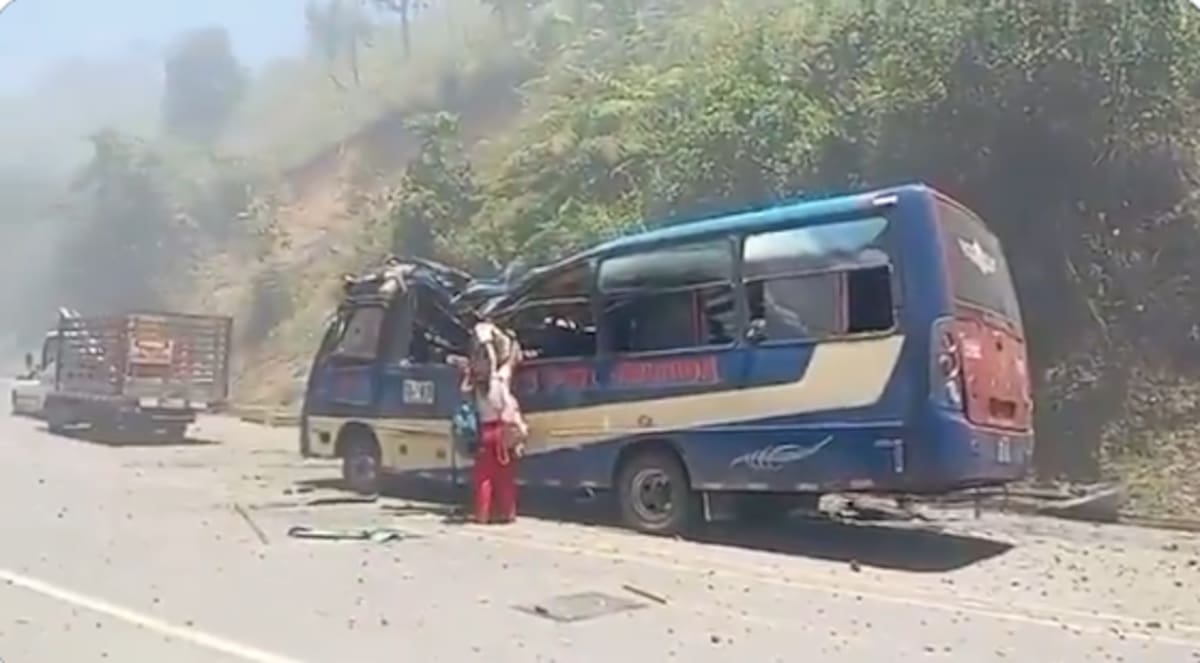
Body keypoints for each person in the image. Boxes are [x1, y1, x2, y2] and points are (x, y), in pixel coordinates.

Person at [463, 318, 527, 524]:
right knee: (505, 477)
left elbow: (464, 387)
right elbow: (511, 362)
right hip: (503, 433)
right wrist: (513, 344)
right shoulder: (499, 379)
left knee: (484, 477)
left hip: (485, 432)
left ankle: (482, 515)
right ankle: (508, 513)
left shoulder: (474, 386)